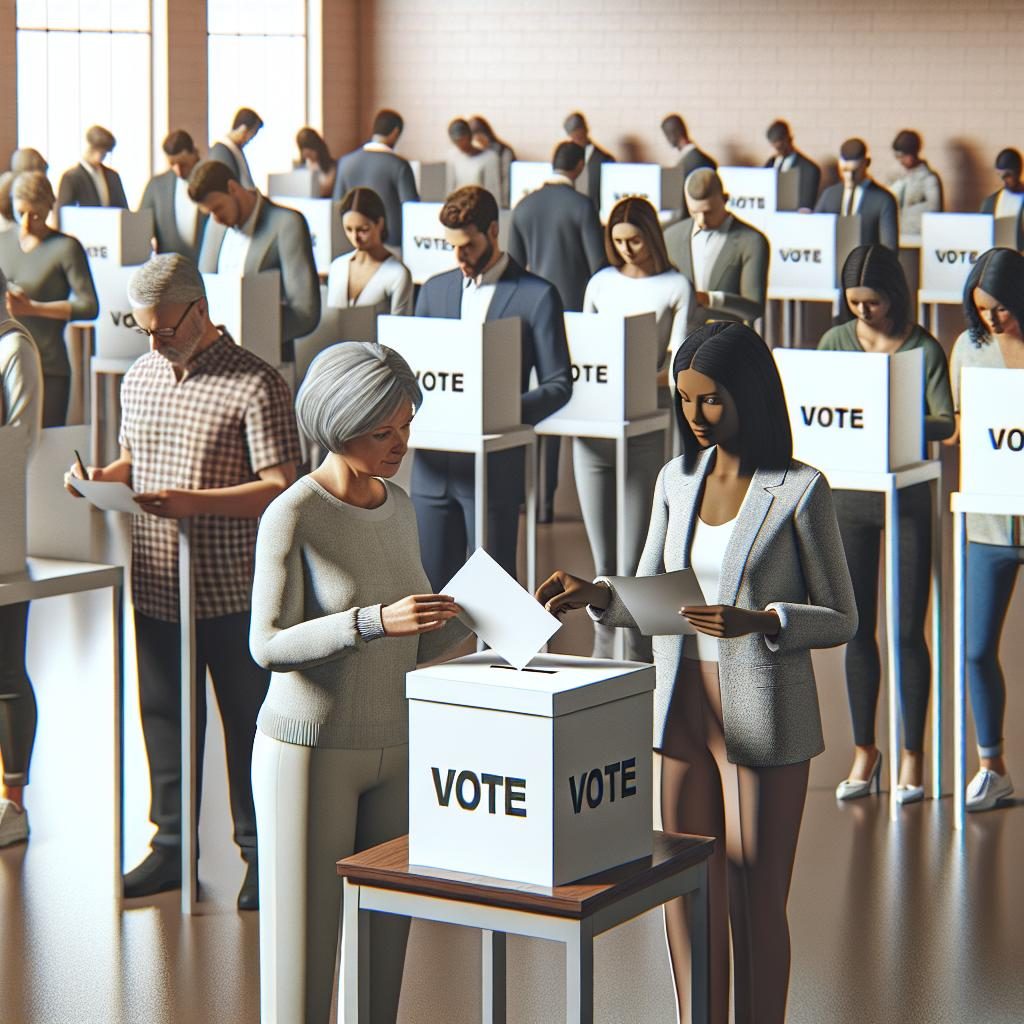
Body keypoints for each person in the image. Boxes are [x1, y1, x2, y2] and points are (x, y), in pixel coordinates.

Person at [537, 321, 857, 1024]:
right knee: (687, 890)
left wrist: (765, 621)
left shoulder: (800, 490)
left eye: (709, 400)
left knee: (755, 896)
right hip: (680, 713)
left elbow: (841, 617)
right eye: (685, 401)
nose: (695, 416)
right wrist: (596, 594)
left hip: (763, 717)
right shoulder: (675, 481)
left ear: (748, 394)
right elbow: (651, 591)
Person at [64, 254, 301, 907]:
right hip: (158, 581)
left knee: (248, 723)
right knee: (162, 715)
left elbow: (283, 489)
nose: (154, 341)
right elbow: (135, 462)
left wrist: (196, 501)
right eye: (144, 330)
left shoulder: (257, 383)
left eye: (165, 328)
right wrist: (99, 481)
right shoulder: (138, 377)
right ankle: (171, 847)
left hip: (233, 587)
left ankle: (261, 852)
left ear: (199, 310)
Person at [249, 341, 471, 1024]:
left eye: (406, 425)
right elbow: (266, 645)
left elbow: (417, 638)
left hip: (395, 746)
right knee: (303, 964)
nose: (401, 443)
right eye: (383, 431)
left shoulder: (400, 506)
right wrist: (371, 622)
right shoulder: (294, 513)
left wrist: (476, 616)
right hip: (309, 753)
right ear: (338, 424)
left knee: (383, 954)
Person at [819, 245, 954, 804]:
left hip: (908, 497)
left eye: (872, 303)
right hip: (849, 497)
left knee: (905, 630)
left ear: (895, 297)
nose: (863, 314)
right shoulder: (834, 341)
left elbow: (945, 421)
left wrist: (888, 408)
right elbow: (818, 404)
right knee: (857, 629)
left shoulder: (924, 348)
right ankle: (864, 750)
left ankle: (912, 754)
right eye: (854, 304)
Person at [411, 185, 572, 589]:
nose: (459, 258)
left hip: (494, 468)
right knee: (430, 587)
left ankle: (502, 657)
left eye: (467, 246)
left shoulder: (538, 295)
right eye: (452, 248)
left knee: (495, 591)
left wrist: (499, 411)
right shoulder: (433, 290)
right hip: (432, 464)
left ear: (494, 231)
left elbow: (559, 385)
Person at [575, 197, 692, 660]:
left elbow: (680, 363)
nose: (627, 250)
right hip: (594, 428)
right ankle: (604, 667)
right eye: (618, 242)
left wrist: (632, 376)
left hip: (645, 426)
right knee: (602, 564)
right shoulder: (600, 283)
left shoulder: (676, 285)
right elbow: (584, 347)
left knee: (635, 563)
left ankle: (645, 670)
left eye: (635, 240)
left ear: (652, 236)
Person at [947, 247, 1024, 812]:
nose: (992, 320)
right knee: (975, 649)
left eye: (999, 309)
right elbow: (958, 425)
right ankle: (991, 766)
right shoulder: (969, 349)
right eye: (982, 310)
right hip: (989, 522)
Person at [507, 140, 607, 522]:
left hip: (528, 317)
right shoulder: (582, 206)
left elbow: (514, 267)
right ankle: (559, 497)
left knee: (536, 406)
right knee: (567, 400)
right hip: (575, 317)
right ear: (580, 166)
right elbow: (598, 267)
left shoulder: (524, 206)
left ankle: (535, 499)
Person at [191, 159, 320, 362]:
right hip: (215, 360)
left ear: (233, 188)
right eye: (209, 213)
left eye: (217, 208)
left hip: (268, 362)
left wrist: (250, 336)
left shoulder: (287, 223)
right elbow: (201, 291)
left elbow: (306, 313)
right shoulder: (216, 226)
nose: (215, 218)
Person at [0, 171, 98, 426]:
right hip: (6, 364)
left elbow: (89, 306)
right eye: (20, 213)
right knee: (11, 454)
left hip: (49, 367)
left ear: (49, 208)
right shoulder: (3, 242)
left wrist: (33, 308)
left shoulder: (66, 247)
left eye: (35, 215)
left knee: (44, 452)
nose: (26, 224)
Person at [0, 267, 43, 848]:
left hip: (3, 531)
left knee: (5, 669)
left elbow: (21, 440)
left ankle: (14, 801)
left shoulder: (15, 349)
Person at [664, 168, 769, 335]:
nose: (701, 220)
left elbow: (754, 308)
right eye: (694, 212)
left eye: (708, 212)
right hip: (678, 339)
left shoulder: (752, 240)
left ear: (725, 199)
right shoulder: (670, 237)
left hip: (727, 342)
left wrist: (710, 299)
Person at [332, 109, 419, 249]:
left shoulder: (345, 162)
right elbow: (412, 208)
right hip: (390, 244)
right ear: (396, 132)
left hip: (352, 243)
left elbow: (337, 203)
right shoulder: (399, 165)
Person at [326, 187, 413, 315]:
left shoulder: (398, 274)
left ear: (380, 223)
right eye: (348, 229)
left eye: (363, 230)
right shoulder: (337, 267)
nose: (355, 238)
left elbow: (398, 327)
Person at [814, 138, 899, 249]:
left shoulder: (883, 199)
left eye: (855, 171)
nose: (849, 177)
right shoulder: (830, 194)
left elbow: (889, 248)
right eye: (845, 170)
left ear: (867, 163)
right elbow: (815, 231)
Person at [138, 130, 207, 262]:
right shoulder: (156, 186)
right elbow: (141, 230)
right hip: (169, 269)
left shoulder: (212, 179)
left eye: (183, 164)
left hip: (205, 267)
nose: (178, 170)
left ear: (194, 154)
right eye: (172, 164)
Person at [56, 125, 129, 210]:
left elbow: (124, 210)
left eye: (103, 153)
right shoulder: (71, 177)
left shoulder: (113, 176)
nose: (98, 157)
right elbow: (63, 213)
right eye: (96, 150)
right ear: (88, 146)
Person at [889, 129, 944, 240]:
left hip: (918, 237)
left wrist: (906, 214)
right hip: (897, 235)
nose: (901, 160)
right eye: (898, 156)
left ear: (912, 154)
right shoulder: (897, 176)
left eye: (903, 156)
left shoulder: (928, 178)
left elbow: (934, 209)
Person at [764, 119, 820, 212]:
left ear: (790, 139)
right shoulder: (769, 164)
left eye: (781, 147)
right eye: (775, 147)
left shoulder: (809, 170)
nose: (778, 151)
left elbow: (805, 206)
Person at [563, 111, 615, 210]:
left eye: (578, 133)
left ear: (586, 130)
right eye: (573, 136)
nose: (576, 138)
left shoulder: (605, 160)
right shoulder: (565, 159)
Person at [209, 107, 263, 191]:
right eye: (251, 135)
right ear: (243, 129)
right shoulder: (221, 151)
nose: (249, 140)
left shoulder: (235, 149)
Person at [445, 118, 501, 197]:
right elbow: (450, 188)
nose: (460, 144)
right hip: (459, 203)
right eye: (456, 142)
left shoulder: (489, 158)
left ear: (469, 136)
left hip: (480, 204)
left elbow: (493, 191)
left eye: (462, 139)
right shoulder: (452, 156)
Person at [980, 149, 1024, 249]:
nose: (1003, 180)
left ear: (1018, 172)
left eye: (1008, 175)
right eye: (1000, 175)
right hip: (998, 257)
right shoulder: (991, 202)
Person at [469, 115, 516, 207]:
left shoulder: (502, 152)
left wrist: (504, 206)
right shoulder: (471, 154)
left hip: (498, 201)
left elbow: (506, 181)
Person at [661, 113, 717, 187]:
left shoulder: (685, 165)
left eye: (667, 134)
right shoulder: (707, 161)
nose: (667, 140)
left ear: (673, 133)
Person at [295, 127, 336, 198]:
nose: (307, 154)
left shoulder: (331, 165)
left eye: (311, 150)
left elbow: (327, 189)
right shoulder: (301, 167)